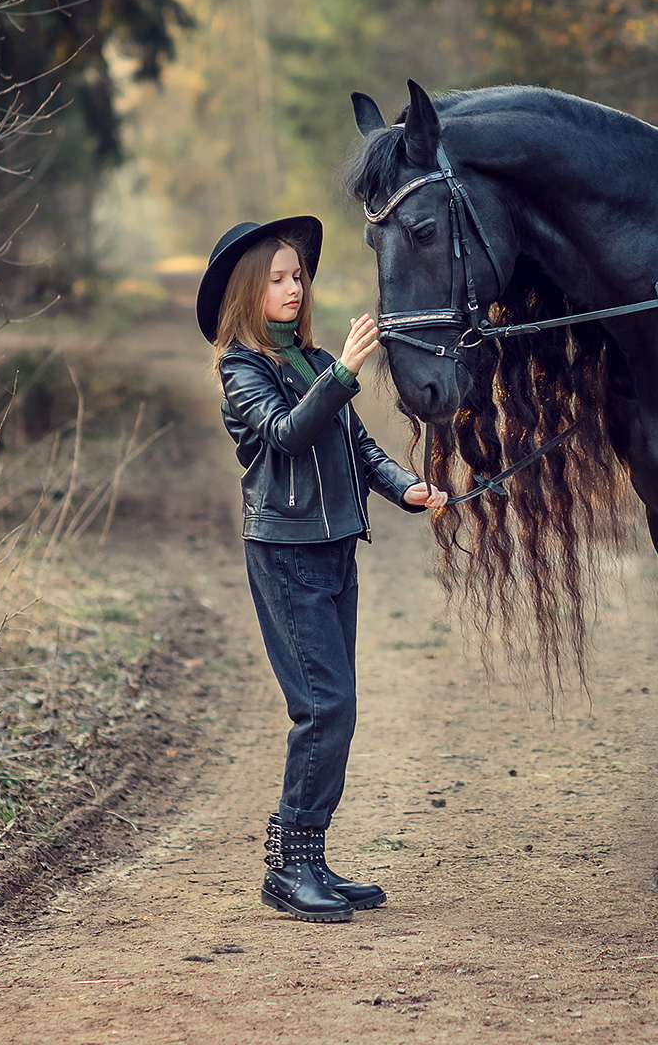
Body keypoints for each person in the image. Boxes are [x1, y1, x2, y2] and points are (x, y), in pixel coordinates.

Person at [196, 216, 446, 923]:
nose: (293, 287)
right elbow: (285, 432)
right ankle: (289, 868)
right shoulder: (242, 370)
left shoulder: (305, 362)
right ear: (249, 291)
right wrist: (342, 372)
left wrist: (406, 488)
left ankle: (309, 858)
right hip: (286, 553)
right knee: (323, 708)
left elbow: (355, 446)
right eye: (277, 278)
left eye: (298, 275)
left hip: (335, 547)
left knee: (336, 709)